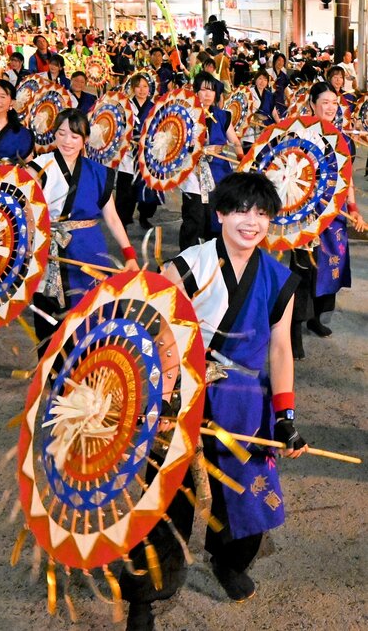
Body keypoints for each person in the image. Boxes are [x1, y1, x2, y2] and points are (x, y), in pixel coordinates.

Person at [122, 172, 307, 630]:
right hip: (184, 396)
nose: (252, 222)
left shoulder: (279, 277)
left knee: (249, 496)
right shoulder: (189, 265)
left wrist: (284, 415)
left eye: (262, 213)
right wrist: (161, 397)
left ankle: (227, 562)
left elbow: (280, 346)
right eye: (242, 210)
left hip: (245, 402)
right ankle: (143, 597)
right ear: (219, 213)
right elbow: (157, 331)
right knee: (166, 497)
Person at [28, 108, 139, 351]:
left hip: (90, 250)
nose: (67, 141)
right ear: (53, 134)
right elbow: (24, 211)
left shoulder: (98, 173)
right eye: (62, 133)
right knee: (52, 321)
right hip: (51, 251)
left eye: (75, 136)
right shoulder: (38, 168)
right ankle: (55, 377)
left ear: (85, 139)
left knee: (95, 315)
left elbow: (111, 216)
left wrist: (129, 253)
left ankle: (91, 371)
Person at [290, 82, 365, 359]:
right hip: (306, 215)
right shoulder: (299, 133)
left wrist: (354, 209)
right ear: (312, 104)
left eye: (335, 102)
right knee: (303, 273)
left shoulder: (342, 139)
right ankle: (294, 331)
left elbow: (347, 181)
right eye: (325, 101)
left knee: (330, 268)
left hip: (335, 217)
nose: (331, 107)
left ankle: (316, 318)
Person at [179, 71, 243, 250]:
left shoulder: (222, 115)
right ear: (195, 92)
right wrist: (200, 150)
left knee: (217, 218)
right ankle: (186, 259)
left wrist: (241, 156)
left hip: (219, 173)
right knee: (194, 217)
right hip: (193, 173)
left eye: (211, 90)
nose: (208, 94)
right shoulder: (186, 114)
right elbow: (177, 144)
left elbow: (235, 141)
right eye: (203, 90)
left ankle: (212, 256)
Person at [115, 74, 161, 230]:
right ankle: (123, 221)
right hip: (128, 156)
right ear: (133, 88)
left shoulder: (155, 108)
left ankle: (144, 216)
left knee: (148, 192)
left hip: (147, 157)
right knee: (125, 192)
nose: (142, 90)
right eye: (138, 86)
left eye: (145, 86)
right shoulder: (126, 106)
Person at [242, 69, 280, 153]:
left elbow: (274, 113)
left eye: (265, 79)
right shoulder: (249, 92)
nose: (262, 82)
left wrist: (280, 125)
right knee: (250, 152)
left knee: (265, 153)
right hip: (251, 125)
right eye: (260, 78)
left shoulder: (270, 95)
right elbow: (244, 110)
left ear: (267, 83)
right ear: (255, 80)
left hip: (266, 127)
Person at [267, 52, 290, 117]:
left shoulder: (284, 76)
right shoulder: (267, 73)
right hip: (269, 101)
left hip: (280, 102)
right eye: (279, 60)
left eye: (283, 61)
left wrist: (289, 100)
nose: (281, 63)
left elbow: (286, 90)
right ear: (274, 61)